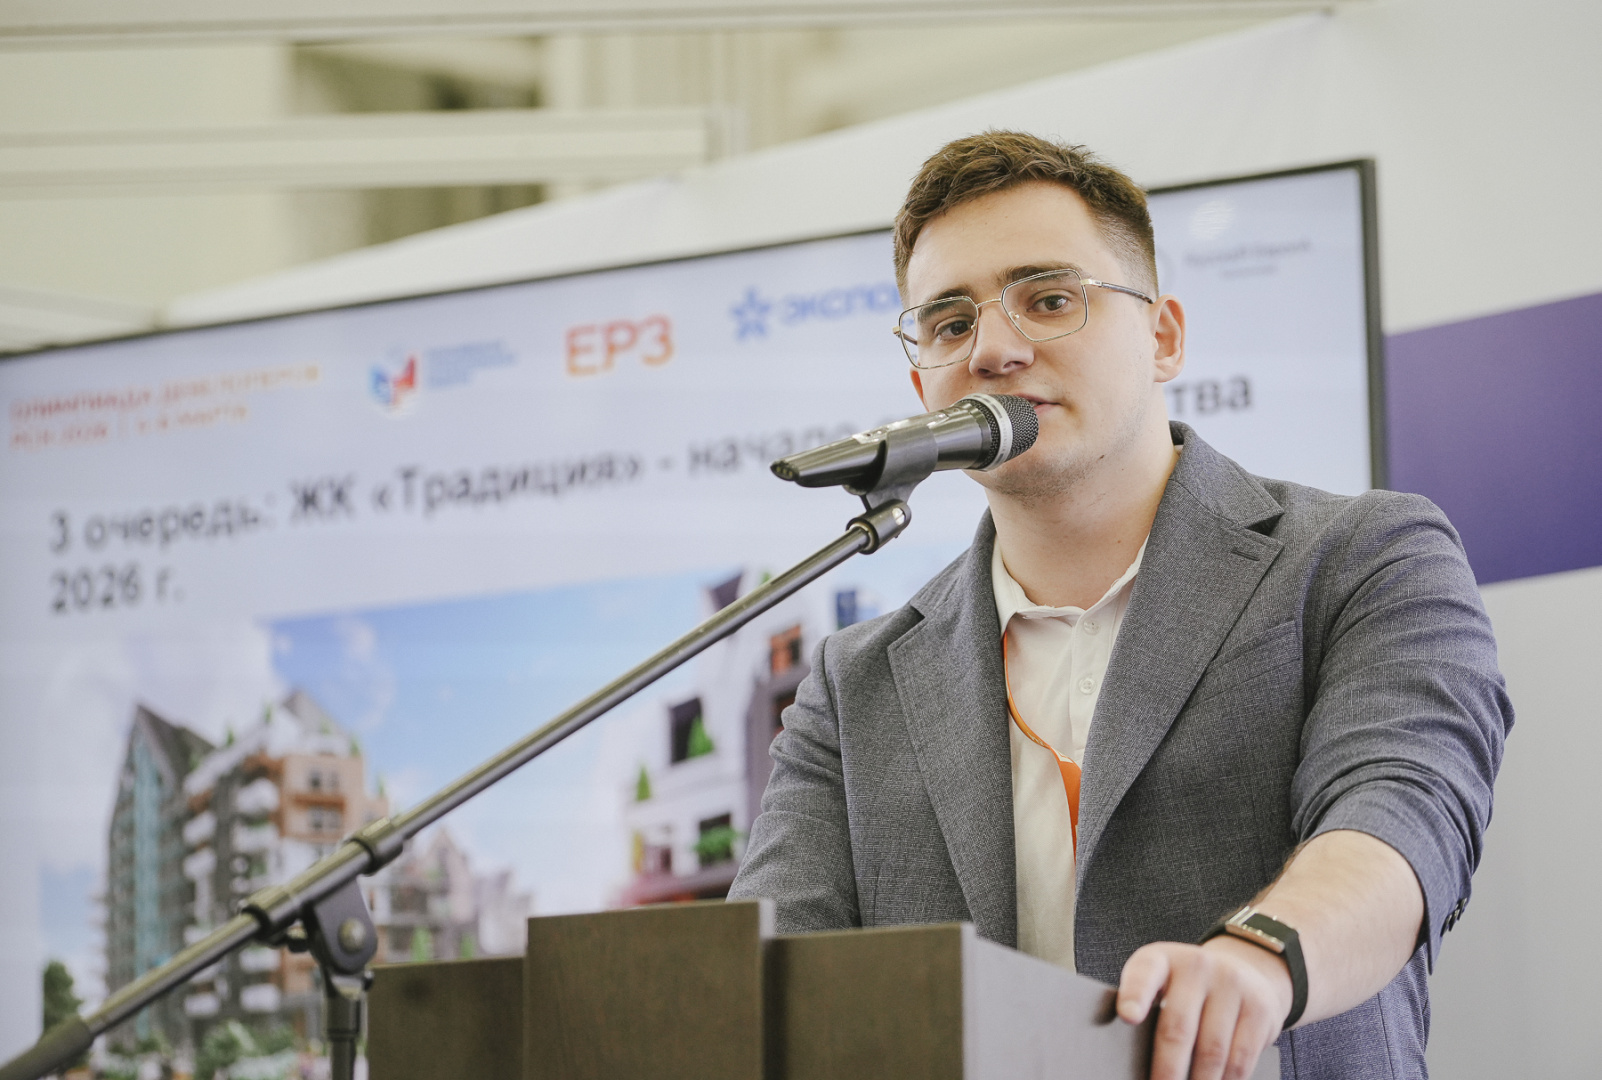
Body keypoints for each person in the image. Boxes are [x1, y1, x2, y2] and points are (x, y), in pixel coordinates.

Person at [728, 131, 1512, 1080]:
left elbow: (1403, 818)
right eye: (949, 324)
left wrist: (1259, 959)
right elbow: (760, 983)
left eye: (1049, 299)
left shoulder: (1365, 557)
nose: (995, 350)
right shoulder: (855, 683)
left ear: (1163, 336)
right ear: (921, 382)